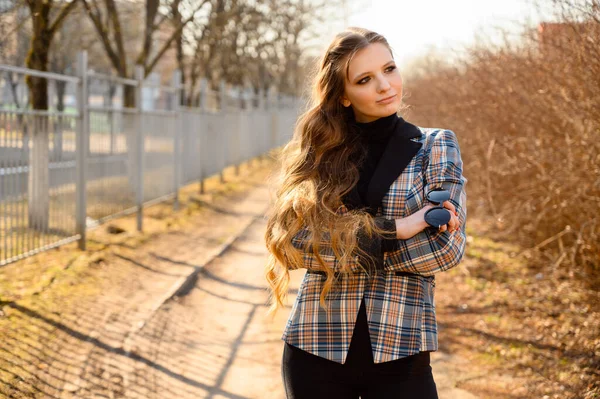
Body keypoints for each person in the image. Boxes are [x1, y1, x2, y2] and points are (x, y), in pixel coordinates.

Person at [264, 27, 468, 399]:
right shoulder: (320, 153)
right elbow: (292, 245)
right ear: (343, 95)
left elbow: (444, 250)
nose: (384, 86)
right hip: (315, 347)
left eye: (389, 69)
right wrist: (401, 229)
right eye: (365, 79)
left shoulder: (435, 146)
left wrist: (340, 242)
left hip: (402, 349)